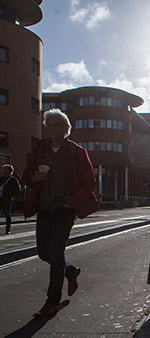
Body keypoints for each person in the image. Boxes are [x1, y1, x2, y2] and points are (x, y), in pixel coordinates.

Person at [22, 108, 99, 318]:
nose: (54, 128)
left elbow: (89, 182)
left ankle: (52, 302)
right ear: (46, 128)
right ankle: (71, 271)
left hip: (64, 210)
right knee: (43, 253)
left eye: (59, 125)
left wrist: (70, 205)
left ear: (67, 129)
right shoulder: (40, 149)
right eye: (51, 125)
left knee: (56, 253)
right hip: (44, 208)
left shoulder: (77, 152)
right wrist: (33, 178)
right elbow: (26, 175)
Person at [1, 164, 21, 234]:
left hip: (7, 198)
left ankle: (8, 228)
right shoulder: (1, 179)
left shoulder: (13, 180)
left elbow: (18, 190)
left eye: (5, 169)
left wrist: (9, 193)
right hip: (1, 198)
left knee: (7, 213)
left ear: (10, 171)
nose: (3, 171)